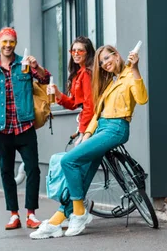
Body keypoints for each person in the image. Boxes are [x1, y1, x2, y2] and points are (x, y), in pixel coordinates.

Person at [30, 44, 148, 239]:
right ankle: (56, 220)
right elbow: (97, 114)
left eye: (108, 59)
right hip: (101, 129)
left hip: (116, 128)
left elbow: (142, 99)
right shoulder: (110, 82)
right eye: (102, 62)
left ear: (117, 55)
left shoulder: (128, 76)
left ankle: (79, 212)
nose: (106, 64)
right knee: (82, 174)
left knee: (69, 161)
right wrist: (87, 134)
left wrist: (135, 69)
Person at [0, 27, 51, 230]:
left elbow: (45, 80)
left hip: (25, 126)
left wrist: (36, 66)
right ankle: (13, 215)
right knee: (6, 171)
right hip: (2, 130)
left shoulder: (25, 65)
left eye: (11, 41)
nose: (8, 45)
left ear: (15, 43)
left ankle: (31, 214)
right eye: (5, 42)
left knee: (33, 170)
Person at [48, 36, 96, 145]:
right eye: (73, 50)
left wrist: (83, 132)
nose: (76, 53)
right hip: (87, 121)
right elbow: (73, 103)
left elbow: (90, 105)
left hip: (92, 122)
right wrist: (57, 93)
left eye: (80, 50)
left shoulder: (87, 73)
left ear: (88, 53)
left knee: (77, 157)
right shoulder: (78, 74)